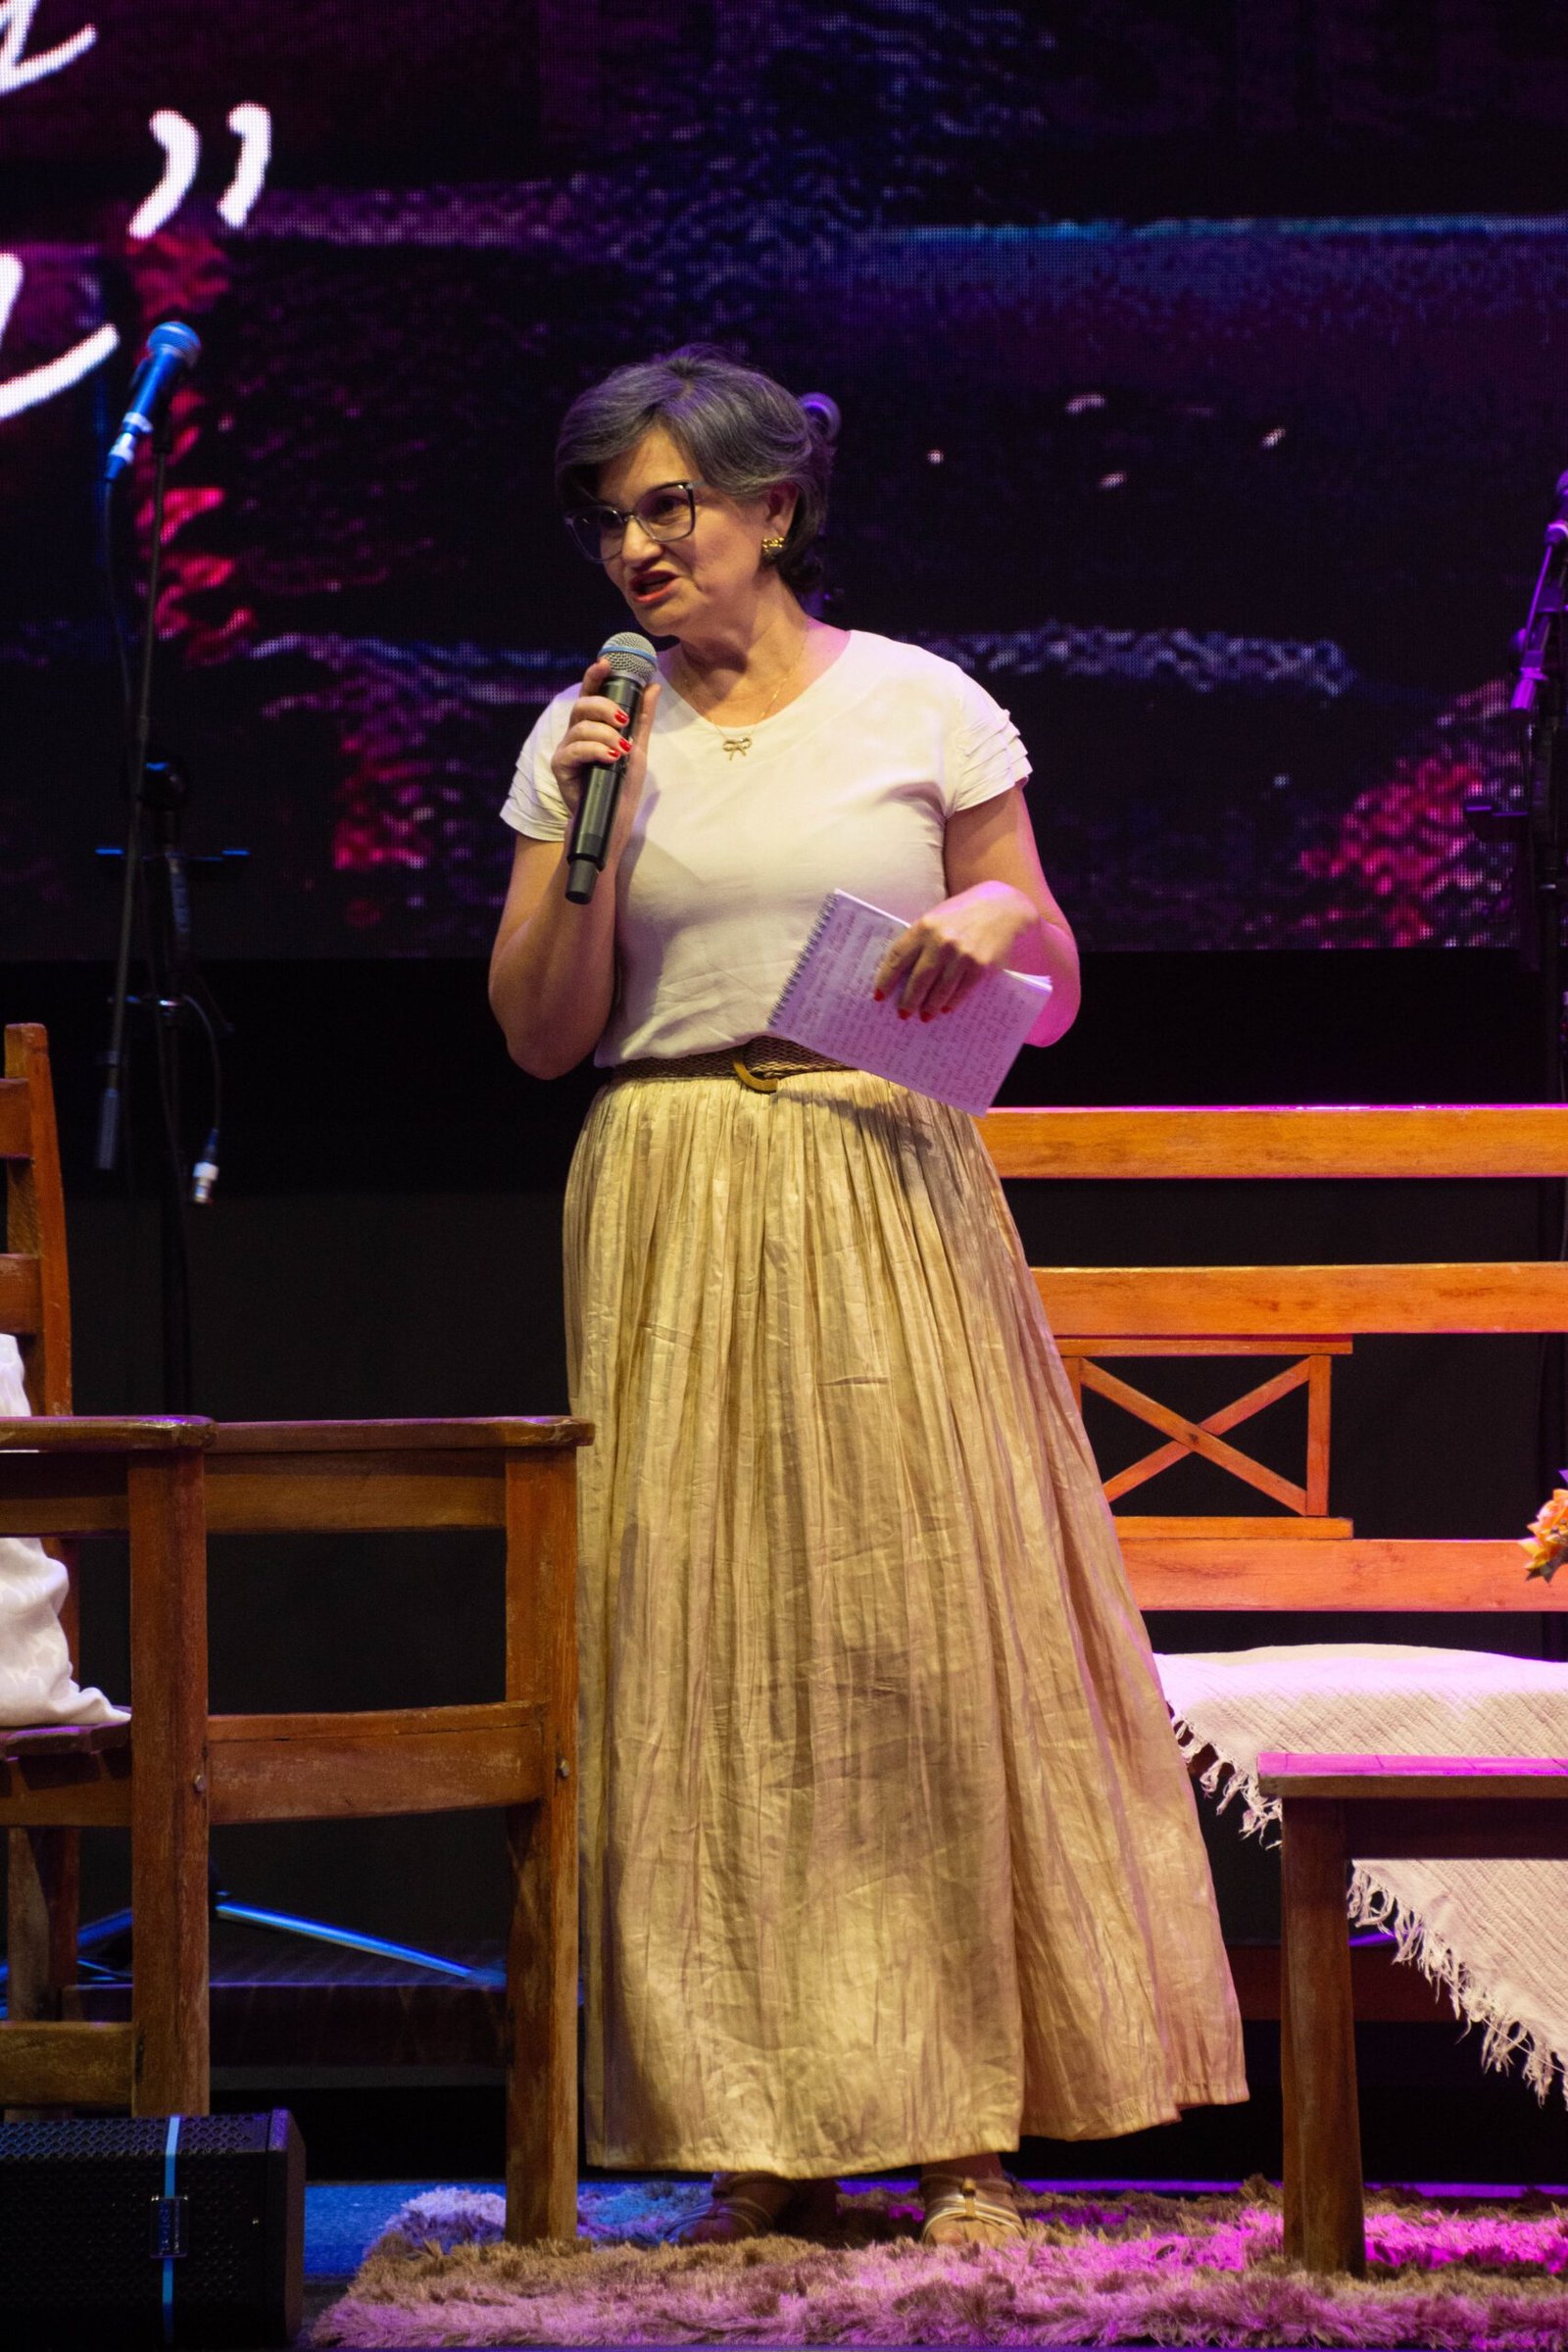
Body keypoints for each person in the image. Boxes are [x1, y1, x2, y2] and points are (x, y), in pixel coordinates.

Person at [489, 347, 1246, 2248]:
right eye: (610, 518)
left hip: (880, 1172)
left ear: (773, 507)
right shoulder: (588, 729)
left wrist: (992, 918)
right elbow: (540, 1033)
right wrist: (585, 836)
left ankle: (961, 2123)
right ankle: (759, 2129)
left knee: (914, 1635)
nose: (638, 546)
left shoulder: (920, 702)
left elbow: (1049, 982)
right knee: (707, 1649)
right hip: (672, 1182)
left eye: (671, 505)